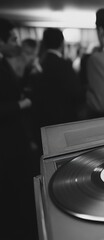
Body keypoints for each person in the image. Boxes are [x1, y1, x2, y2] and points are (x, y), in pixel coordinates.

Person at [0, 17, 38, 240]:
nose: (17, 43)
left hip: (16, 136)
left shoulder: (4, 61)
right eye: (13, 38)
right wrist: (20, 104)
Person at [33, 28, 83, 131]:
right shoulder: (64, 64)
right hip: (63, 117)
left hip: (43, 117)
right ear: (62, 43)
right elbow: (75, 91)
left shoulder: (40, 62)